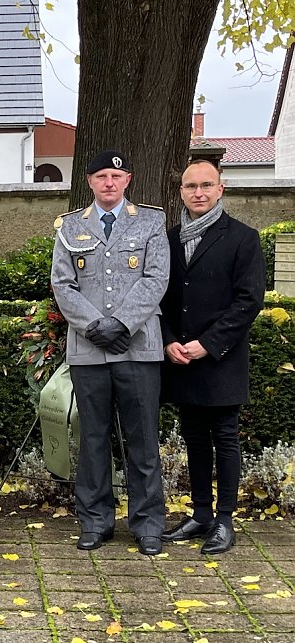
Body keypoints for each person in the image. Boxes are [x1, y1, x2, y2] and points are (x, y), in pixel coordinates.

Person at [50, 150, 170, 556]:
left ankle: (148, 523)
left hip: (138, 347)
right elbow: (63, 284)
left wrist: (120, 325)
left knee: (143, 438)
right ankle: (95, 521)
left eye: (116, 176)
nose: (109, 183)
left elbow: (156, 279)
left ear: (128, 180)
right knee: (93, 438)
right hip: (89, 349)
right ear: (89, 181)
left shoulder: (150, 222)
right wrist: (95, 328)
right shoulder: (70, 227)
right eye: (101, 176)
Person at [160, 160, 265, 554]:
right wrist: (168, 341)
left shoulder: (242, 238)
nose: (198, 192)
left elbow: (249, 300)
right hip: (181, 359)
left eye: (206, 185)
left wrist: (208, 343)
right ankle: (201, 513)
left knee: (224, 439)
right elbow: (159, 298)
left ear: (221, 189)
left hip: (221, 359)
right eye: (191, 186)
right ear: (181, 192)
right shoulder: (169, 240)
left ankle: (224, 520)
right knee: (194, 438)